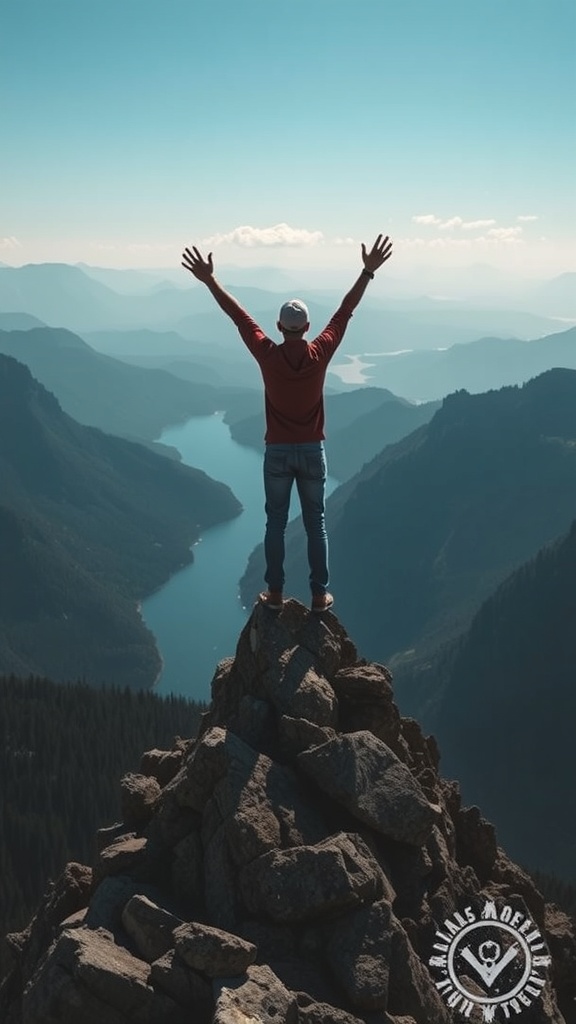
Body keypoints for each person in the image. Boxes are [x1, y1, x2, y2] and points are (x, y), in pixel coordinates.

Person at [181, 233, 393, 612]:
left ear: (279, 327)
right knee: (316, 525)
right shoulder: (321, 351)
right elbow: (345, 311)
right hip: (313, 450)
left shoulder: (266, 353)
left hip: (277, 452)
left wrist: (210, 280)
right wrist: (366, 272)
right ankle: (318, 596)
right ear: (308, 327)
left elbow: (239, 317)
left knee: (275, 524)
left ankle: (275, 595)